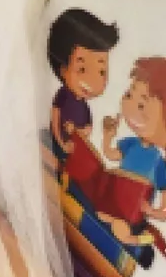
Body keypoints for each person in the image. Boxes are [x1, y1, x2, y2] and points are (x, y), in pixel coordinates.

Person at [70, 57, 166, 247]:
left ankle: (139, 240)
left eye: (142, 105)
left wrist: (152, 212)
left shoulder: (159, 164)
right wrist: (108, 135)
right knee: (98, 213)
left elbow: (164, 207)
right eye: (129, 95)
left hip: (131, 215)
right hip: (111, 200)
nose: (130, 107)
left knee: (119, 228)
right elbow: (111, 154)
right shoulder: (131, 143)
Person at [49, 8, 118, 156]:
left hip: (75, 149)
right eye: (82, 69)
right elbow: (55, 119)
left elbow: (88, 128)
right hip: (58, 145)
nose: (92, 81)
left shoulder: (84, 106)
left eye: (101, 71)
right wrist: (61, 142)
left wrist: (80, 131)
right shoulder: (63, 95)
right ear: (62, 69)